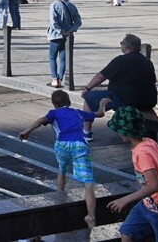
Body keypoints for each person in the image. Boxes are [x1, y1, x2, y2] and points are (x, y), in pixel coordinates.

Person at [19, 90, 109, 230]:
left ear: (54, 104)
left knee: (62, 169)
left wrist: (27, 131)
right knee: (88, 182)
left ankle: (60, 195)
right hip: (79, 145)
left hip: (62, 145)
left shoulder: (53, 113)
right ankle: (91, 215)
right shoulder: (78, 112)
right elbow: (100, 113)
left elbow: (42, 120)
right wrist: (102, 103)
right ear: (69, 102)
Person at [107, 106, 158, 242]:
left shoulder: (142, 153)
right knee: (126, 232)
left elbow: (154, 186)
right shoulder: (149, 142)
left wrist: (125, 199)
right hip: (147, 206)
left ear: (125, 132)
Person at [80, 33, 158, 141]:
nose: (121, 45)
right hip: (149, 100)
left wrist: (87, 89)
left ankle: (86, 132)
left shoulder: (121, 60)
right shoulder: (147, 62)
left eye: (122, 43)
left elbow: (100, 77)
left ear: (126, 45)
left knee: (89, 97)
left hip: (126, 99)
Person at [47, 0, 82, 89]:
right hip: (68, 36)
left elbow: (53, 21)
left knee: (52, 57)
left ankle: (54, 79)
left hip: (56, 35)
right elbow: (78, 21)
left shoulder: (54, 4)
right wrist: (71, 30)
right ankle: (60, 79)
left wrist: (60, 31)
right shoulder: (72, 6)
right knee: (63, 59)